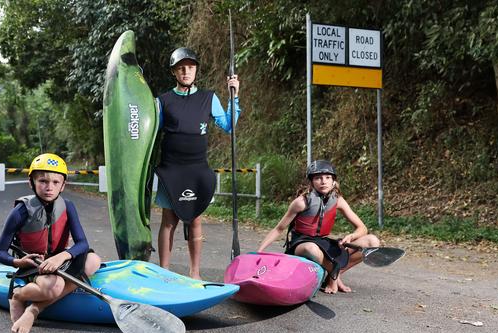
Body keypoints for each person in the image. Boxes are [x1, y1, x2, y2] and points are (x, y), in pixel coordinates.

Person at [154, 47, 241, 280]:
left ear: (196, 70)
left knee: (195, 220)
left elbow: (229, 125)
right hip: (171, 168)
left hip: (196, 167)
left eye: (190, 67)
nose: (186, 71)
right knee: (169, 221)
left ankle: (195, 273)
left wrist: (234, 96)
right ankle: (164, 272)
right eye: (181, 68)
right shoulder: (162, 101)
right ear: (174, 71)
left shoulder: (208, 98)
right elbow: (150, 132)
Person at [0, 153, 101, 333]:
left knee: (93, 260)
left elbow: (82, 243)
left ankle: (34, 310)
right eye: (43, 181)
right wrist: (19, 262)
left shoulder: (68, 206)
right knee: (55, 286)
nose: (49, 187)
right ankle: (18, 295)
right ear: (31, 183)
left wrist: (62, 256)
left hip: (59, 260)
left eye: (55, 182)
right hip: (33, 266)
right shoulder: (20, 212)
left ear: (63, 185)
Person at [257, 160, 380, 294]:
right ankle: (334, 274)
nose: (323, 181)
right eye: (318, 178)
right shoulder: (301, 202)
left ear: (333, 181)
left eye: (328, 177)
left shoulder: (338, 200)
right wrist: (259, 251)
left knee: (372, 241)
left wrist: (351, 236)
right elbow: (278, 229)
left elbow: (362, 228)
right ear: (311, 182)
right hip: (301, 244)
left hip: (323, 242)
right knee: (312, 248)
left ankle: (335, 274)